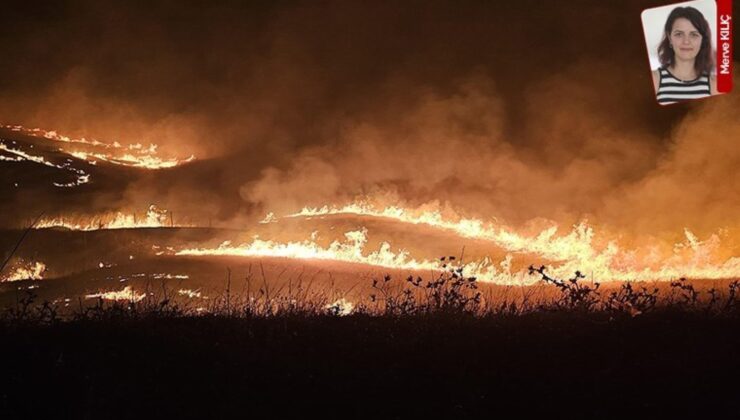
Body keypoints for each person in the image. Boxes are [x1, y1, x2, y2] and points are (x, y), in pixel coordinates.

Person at [651, 6, 717, 104]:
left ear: (702, 40)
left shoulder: (715, 84)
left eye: (694, 34)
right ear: (669, 38)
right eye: (679, 34)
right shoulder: (654, 80)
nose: (686, 41)